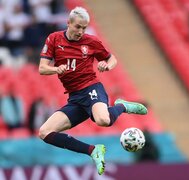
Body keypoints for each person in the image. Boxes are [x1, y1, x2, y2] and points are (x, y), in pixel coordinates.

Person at [38, 7, 147, 175]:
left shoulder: (91, 42)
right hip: (75, 98)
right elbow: (42, 68)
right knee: (44, 132)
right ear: (68, 23)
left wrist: (107, 65)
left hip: (91, 88)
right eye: (78, 27)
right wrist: (56, 69)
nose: (81, 31)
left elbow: (111, 59)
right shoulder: (54, 39)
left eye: (84, 27)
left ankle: (122, 106)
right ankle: (93, 150)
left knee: (103, 120)